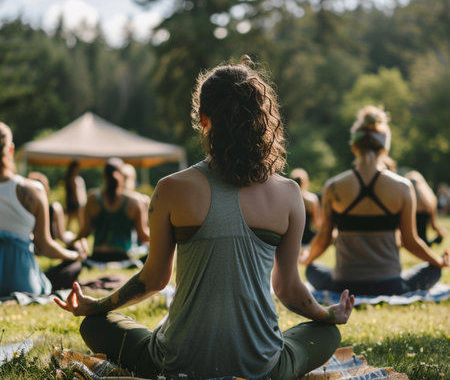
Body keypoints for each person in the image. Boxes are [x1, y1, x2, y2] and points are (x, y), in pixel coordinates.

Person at [55, 58, 354, 380]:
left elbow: (153, 280)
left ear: (203, 118)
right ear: (262, 118)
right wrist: (328, 314)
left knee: (95, 325)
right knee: (328, 333)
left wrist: (96, 306)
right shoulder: (290, 193)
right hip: (262, 368)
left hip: (177, 365)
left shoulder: (170, 188)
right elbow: (289, 290)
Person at [301, 105, 450, 296]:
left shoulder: (333, 186)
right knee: (433, 271)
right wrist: (438, 261)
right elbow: (410, 241)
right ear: (385, 148)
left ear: (354, 146)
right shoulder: (403, 187)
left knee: (311, 270)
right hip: (390, 285)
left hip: (344, 285)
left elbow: (323, 239)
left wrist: (307, 259)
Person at [0, 123, 84, 296]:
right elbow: (44, 247)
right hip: (22, 284)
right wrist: (73, 255)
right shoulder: (33, 191)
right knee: (73, 266)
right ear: (11, 150)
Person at [74, 158, 149, 262]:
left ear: (104, 176)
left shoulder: (92, 198)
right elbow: (144, 236)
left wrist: (69, 243)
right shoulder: (135, 201)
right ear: (123, 177)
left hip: (97, 257)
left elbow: (85, 232)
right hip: (122, 258)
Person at [28, 171, 77, 245]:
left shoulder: (26, 208)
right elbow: (61, 236)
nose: (49, 187)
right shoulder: (55, 208)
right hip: (47, 246)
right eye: (46, 185)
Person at [405, 170, 447, 246]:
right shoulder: (431, 201)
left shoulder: (407, 202)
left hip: (412, 243)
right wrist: (441, 233)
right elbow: (434, 226)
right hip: (423, 243)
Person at [290, 168, 321, 246]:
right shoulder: (312, 199)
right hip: (307, 239)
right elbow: (316, 223)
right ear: (305, 182)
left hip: (291, 238)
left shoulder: (287, 198)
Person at [64, 160, 87, 231]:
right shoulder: (72, 179)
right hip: (74, 203)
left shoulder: (71, 178)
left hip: (72, 202)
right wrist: (79, 203)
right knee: (80, 221)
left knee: (70, 221)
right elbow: (74, 193)